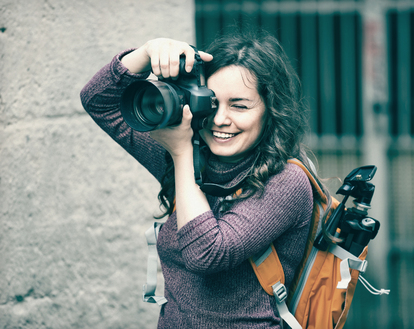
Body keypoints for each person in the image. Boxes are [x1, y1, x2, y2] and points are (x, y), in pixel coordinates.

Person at [80, 29, 327, 328]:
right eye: (210, 102)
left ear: (271, 111)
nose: (220, 119)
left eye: (239, 105)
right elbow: (98, 100)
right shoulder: (187, 154)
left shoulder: (287, 181)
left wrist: (181, 153)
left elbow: (207, 254)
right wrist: (145, 53)